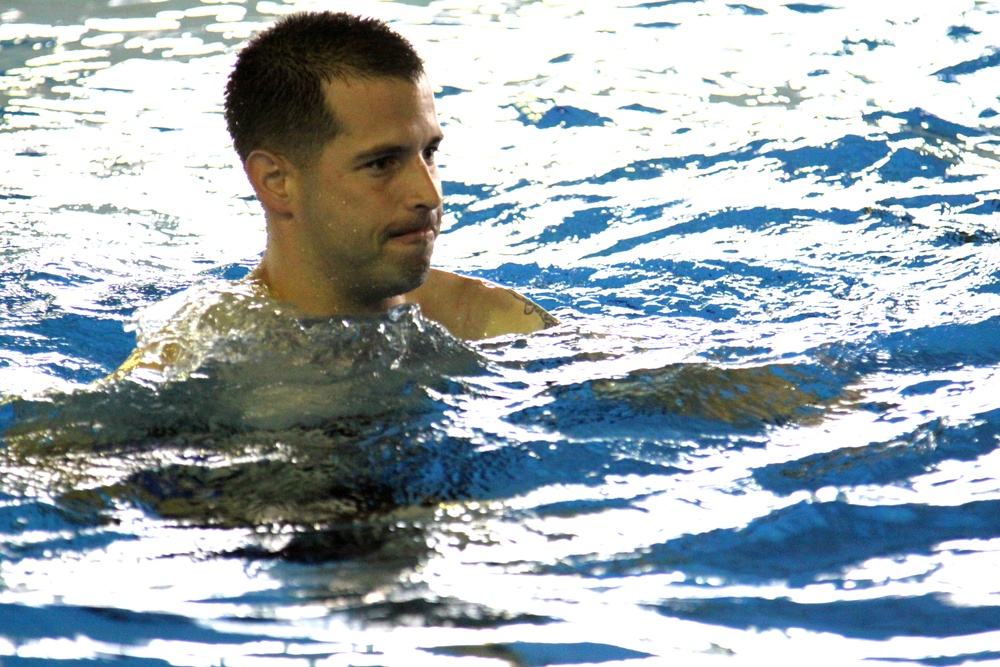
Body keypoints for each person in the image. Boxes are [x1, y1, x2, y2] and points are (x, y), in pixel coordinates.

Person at [114, 11, 557, 377]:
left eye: (429, 152)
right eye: (382, 163)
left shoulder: (486, 321)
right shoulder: (204, 347)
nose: (428, 194)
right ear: (276, 181)